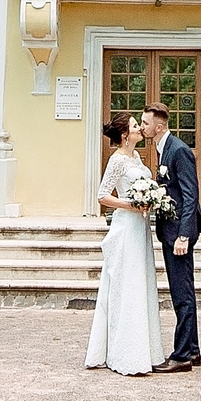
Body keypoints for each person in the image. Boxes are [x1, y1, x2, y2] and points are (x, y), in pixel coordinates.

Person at [84, 114, 163, 376]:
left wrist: (151, 199)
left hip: (140, 227)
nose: (139, 128)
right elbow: (102, 195)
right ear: (124, 135)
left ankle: (145, 350)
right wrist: (130, 204)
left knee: (140, 283)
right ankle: (124, 353)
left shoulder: (137, 158)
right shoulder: (117, 160)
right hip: (126, 227)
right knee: (127, 284)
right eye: (134, 126)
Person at [145, 104, 201, 372]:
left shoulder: (178, 150)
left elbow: (191, 195)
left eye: (145, 123)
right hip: (170, 230)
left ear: (158, 127)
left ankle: (181, 356)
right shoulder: (162, 148)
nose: (143, 127)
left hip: (179, 233)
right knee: (182, 291)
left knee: (182, 294)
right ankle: (192, 351)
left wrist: (183, 235)